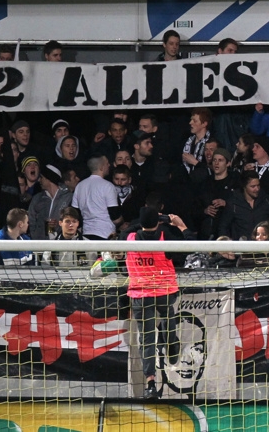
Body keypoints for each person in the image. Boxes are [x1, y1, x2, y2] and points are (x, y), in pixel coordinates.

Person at [126, 206, 194, 400]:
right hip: (164, 291)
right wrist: (181, 226)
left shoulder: (129, 238)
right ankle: (172, 343)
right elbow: (191, 245)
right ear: (158, 222)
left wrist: (148, 220)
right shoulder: (166, 237)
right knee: (167, 318)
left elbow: (132, 227)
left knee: (146, 339)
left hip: (140, 294)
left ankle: (150, 383)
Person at [72, 155, 119, 240]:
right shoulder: (108, 186)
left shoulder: (80, 186)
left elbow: (75, 212)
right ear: (101, 167)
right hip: (106, 234)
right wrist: (122, 222)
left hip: (86, 234)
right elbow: (114, 215)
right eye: (107, 163)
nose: (109, 165)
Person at [218, 172, 269, 241]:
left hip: (263, 246)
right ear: (244, 187)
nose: (257, 189)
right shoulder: (233, 203)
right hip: (241, 248)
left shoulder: (266, 200)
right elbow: (223, 227)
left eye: (258, 185)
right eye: (253, 186)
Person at [28, 163, 73, 240]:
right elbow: (31, 220)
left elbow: (72, 220)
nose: (39, 180)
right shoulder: (37, 198)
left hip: (61, 245)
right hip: (39, 245)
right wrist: (35, 236)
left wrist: (58, 225)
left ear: (49, 179)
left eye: (41, 177)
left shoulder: (68, 198)